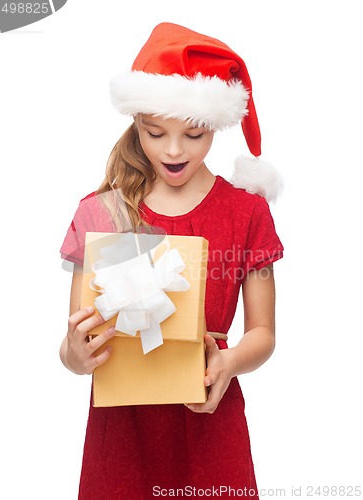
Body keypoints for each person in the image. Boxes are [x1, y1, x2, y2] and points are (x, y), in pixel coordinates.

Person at [59, 22, 284, 499]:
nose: (175, 150)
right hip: (121, 438)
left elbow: (263, 333)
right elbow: (75, 342)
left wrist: (228, 363)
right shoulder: (100, 212)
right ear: (137, 121)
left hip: (210, 427)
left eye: (195, 135)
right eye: (155, 132)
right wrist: (75, 356)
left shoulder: (247, 212)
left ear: (217, 127)